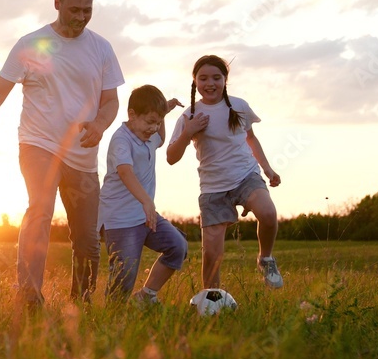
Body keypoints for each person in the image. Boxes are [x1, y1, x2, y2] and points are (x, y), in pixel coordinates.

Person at [0, 0, 125, 308]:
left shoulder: (102, 48)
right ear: (58, 4)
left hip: (83, 154)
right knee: (41, 210)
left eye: (87, 10)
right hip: (38, 144)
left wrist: (100, 125)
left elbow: (111, 101)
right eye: (74, 9)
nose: (81, 17)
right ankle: (29, 297)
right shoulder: (31, 44)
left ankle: (81, 302)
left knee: (87, 238)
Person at [165, 55, 283, 290]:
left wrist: (267, 169)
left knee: (268, 213)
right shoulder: (189, 115)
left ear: (225, 80)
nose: (210, 83)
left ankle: (266, 259)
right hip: (213, 189)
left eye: (216, 78)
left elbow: (250, 138)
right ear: (195, 82)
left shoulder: (239, 106)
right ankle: (212, 301)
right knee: (212, 254)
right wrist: (188, 133)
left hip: (245, 176)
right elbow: (171, 157)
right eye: (203, 78)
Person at [99, 85, 188, 305]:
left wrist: (163, 115)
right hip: (119, 220)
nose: (154, 128)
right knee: (124, 276)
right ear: (132, 115)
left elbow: (160, 139)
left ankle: (146, 296)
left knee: (178, 246)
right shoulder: (121, 140)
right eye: (150, 121)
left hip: (145, 216)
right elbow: (125, 171)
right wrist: (146, 201)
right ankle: (112, 316)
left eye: (157, 122)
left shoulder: (148, 134)